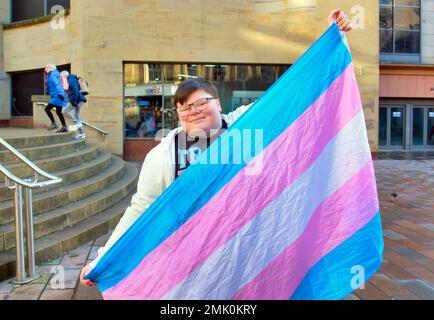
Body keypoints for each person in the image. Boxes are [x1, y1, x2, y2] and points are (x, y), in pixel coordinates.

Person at [80, 9, 352, 287]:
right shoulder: (165, 154)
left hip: (250, 250)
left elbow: (293, 94)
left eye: (202, 103)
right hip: (194, 261)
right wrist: (104, 257)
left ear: (218, 103)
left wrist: (332, 39)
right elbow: (141, 208)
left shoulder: (247, 125)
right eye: (184, 108)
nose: (193, 111)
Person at [60, 71, 88, 139]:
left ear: (64, 76)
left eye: (61, 77)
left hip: (78, 100)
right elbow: (71, 91)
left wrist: (75, 102)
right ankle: (82, 133)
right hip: (80, 100)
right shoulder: (72, 78)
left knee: (65, 111)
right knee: (77, 117)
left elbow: (75, 90)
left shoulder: (70, 79)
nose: (60, 79)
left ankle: (77, 125)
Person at [44, 64, 68, 132]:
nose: (45, 68)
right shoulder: (55, 74)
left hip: (58, 96)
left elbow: (57, 84)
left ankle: (54, 123)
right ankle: (64, 127)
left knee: (47, 109)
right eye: (45, 67)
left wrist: (60, 94)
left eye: (47, 67)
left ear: (51, 68)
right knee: (58, 112)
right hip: (58, 95)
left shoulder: (53, 74)